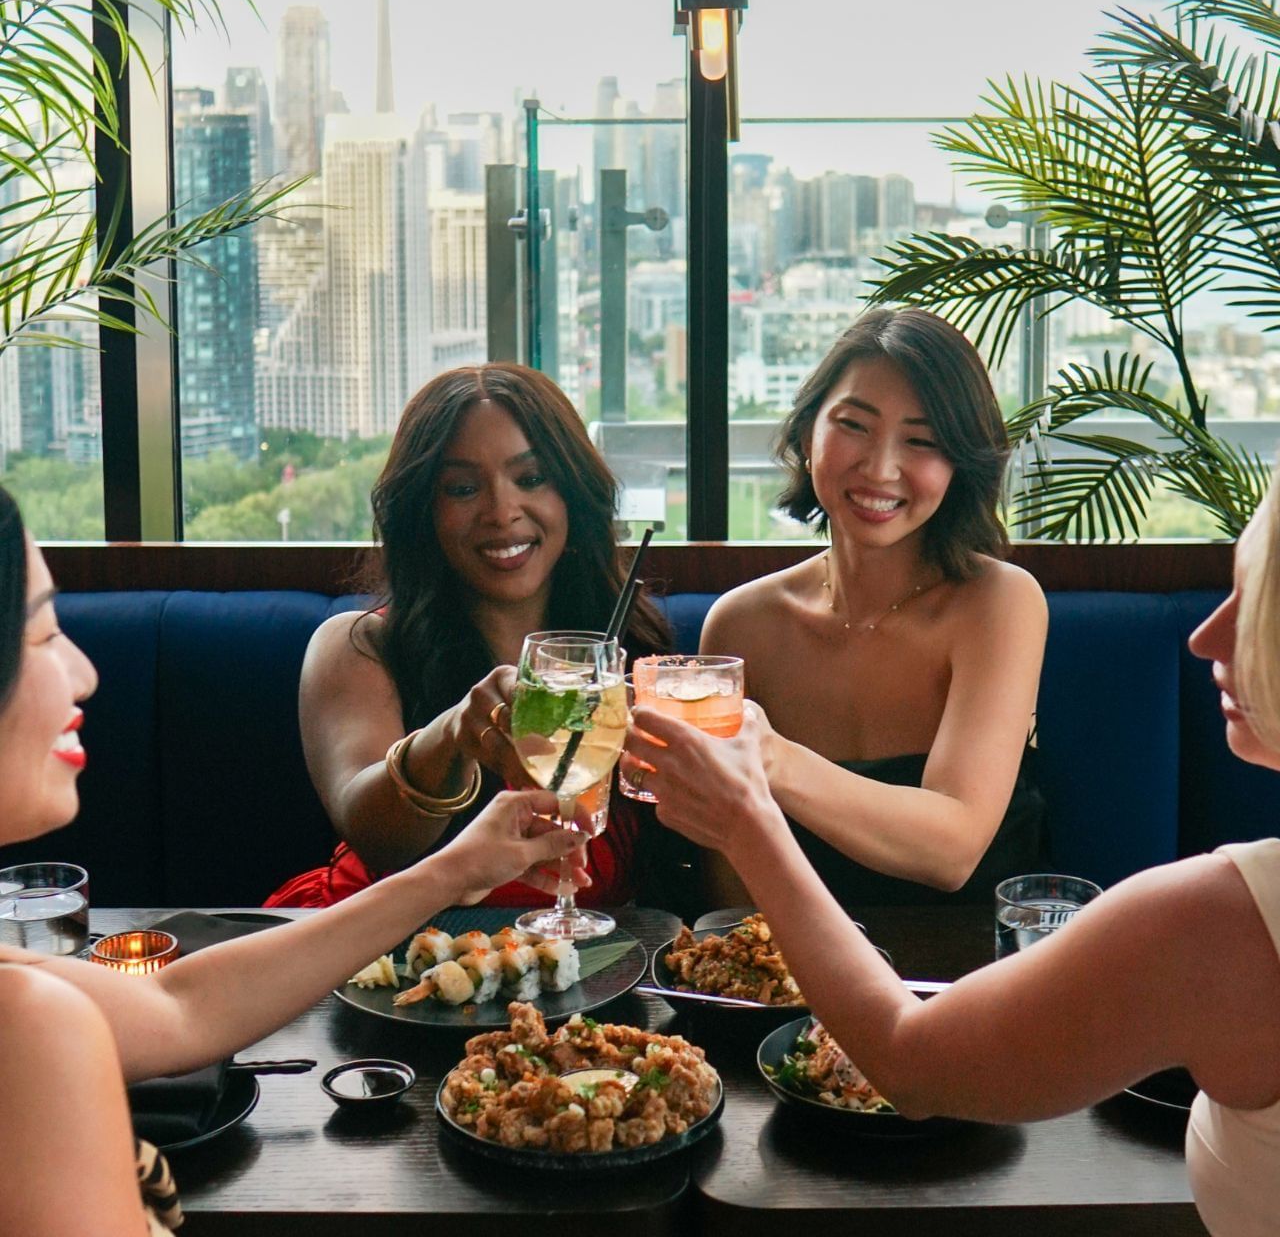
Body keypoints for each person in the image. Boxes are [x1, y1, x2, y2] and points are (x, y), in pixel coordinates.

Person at [624, 478, 1280, 1237]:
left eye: (1258, 606)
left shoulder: (1221, 922)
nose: (1204, 637)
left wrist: (748, 818)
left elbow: (911, 1068)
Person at [0, 484, 588, 1234]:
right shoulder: (32, 1031)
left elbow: (179, 1009)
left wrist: (453, 871)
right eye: (44, 634)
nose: (83, 672)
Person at [677, 308, 1048, 907]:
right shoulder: (743, 623)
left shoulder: (999, 602)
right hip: (793, 979)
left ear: (961, 463)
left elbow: (952, 848)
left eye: (922, 441)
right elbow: (731, 890)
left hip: (977, 974)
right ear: (807, 435)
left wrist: (769, 757)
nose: (880, 468)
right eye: (854, 425)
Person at [265, 363, 670, 911]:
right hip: (380, 959)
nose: (502, 512)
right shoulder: (358, 646)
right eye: (461, 488)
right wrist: (452, 735)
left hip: (585, 964)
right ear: (423, 512)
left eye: (530, 479)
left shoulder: (636, 652)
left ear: (572, 496)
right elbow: (373, 832)